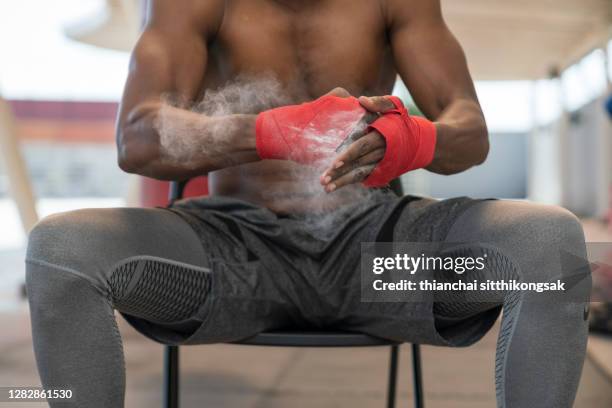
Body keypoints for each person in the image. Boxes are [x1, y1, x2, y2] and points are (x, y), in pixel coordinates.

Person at [25, 1, 591, 407]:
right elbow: (139, 136)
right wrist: (272, 131)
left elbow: (470, 130)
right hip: (235, 258)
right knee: (63, 249)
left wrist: (413, 138)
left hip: (378, 261)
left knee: (545, 244)